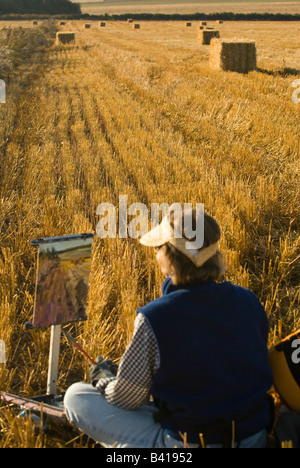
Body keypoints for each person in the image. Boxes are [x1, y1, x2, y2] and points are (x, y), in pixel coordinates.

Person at [64, 207, 274, 448]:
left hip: (190, 442)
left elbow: (128, 398)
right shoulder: (248, 300)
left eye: (159, 247)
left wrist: (104, 380)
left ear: (170, 257)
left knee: (76, 397)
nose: (155, 252)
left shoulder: (154, 317)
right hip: (254, 437)